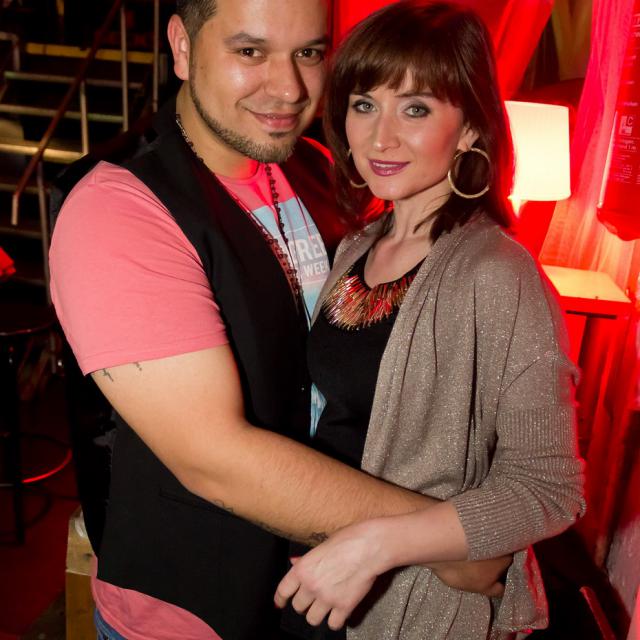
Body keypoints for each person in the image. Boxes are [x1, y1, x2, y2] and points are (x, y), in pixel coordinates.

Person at [49, 1, 511, 639]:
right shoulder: (119, 207)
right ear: (181, 46)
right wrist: (445, 538)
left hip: (317, 597)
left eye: (309, 53)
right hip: (190, 612)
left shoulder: (316, 167)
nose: (289, 88)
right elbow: (213, 455)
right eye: (250, 51)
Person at [274, 2, 586, 639]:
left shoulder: (498, 274)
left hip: (412, 608)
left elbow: (549, 485)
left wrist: (376, 544)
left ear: (469, 127)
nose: (380, 138)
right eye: (364, 104)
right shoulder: (357, 246)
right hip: (318, 583)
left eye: (415, 109)